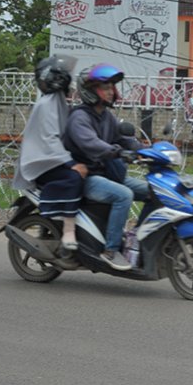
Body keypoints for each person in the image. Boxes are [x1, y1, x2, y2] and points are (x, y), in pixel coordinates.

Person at [64, 63, 148, 271]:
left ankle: (137, 241)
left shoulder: (106, 116)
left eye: (112, 87)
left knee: (152, 191)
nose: (111, 92)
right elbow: (91, 144)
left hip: (108, 174)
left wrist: (148, 150)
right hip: (88, 177)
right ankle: (110, 250)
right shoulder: (79, 117)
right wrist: (118, 151)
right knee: (124, 195)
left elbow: (125, 138)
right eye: (106, 87)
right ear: (90, 90)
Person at [12, 55, 87, 251]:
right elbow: (50, 139)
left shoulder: (59, 101)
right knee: (73, 178)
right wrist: (72, 164)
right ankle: (69, 230)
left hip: (52, 159)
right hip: (42, 163)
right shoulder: (47, 104)